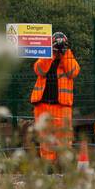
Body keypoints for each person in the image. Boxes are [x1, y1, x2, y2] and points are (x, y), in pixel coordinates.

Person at [30, 31, 79, 165]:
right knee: (45, 138)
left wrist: (65, 53)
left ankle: (64, 166)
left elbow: (73, 72)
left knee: (64, 138)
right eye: (56, 45)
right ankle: (48, 167)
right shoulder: (45, 56)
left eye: (62, 45)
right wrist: (50, 53)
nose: (58, 48)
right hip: (43, 106)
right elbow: (39, 70)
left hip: (62, 106)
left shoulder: (68, 58)